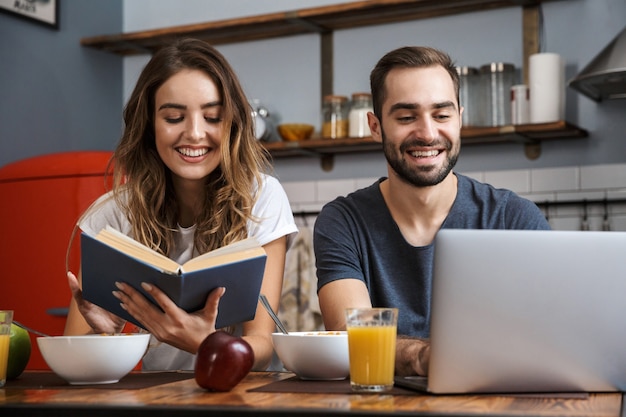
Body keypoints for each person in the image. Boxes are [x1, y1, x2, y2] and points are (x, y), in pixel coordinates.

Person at [313, 46, 550, 377]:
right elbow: (352, 338)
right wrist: (425, 357)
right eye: (406, 117)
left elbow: (548, 334)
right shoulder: (343, 221)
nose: (427, 133)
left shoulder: (514, 218)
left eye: (442, 115)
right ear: (376, 126)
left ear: (460, 119)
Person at [64, 38, 298, 372]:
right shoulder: (112, 214)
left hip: (239, 393)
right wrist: (107, 336)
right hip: (156, 397)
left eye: (213, 117)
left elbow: (261, 343)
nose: (195, 133)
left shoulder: (261, 197)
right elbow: (77, 365)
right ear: (149, 125)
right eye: (174, 117)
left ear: (231, 123)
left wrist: (207, 344)